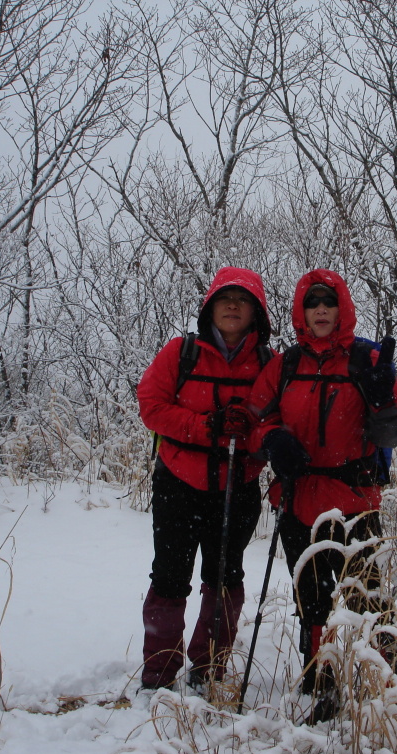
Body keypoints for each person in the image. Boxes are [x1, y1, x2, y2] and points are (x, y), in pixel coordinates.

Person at [247, 268, 397, 721]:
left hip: (354, 501)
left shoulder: (366, 361)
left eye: (328, 302)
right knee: (311, 600)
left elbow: (396, 430)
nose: (320, 310)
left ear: (341, 308)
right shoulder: (284, 365)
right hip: (300, 499)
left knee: (370, 598)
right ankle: (319, 681)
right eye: (312, 303)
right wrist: (273, 439)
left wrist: (382, 398)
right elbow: (256, 417)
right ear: (301, 311)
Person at [135, 267, 272, 692]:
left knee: (225, 579)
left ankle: (209, 670)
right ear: (209, 307)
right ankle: (159, 673)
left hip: (238, 487)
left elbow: (279, 419)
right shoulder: (182, 353)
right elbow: (150, 405)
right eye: (224, 298)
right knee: (170, 578)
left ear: (257, 312)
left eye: (243, 300)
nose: (233, 306)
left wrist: (250, 430)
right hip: (178, 484)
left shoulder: (269, 364)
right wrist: (204, 427)